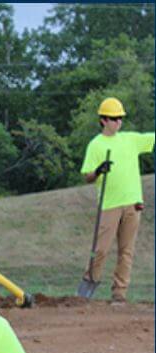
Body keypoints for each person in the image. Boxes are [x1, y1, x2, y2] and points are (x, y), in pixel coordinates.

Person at [79, 97, 155, 303]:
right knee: (100, 249)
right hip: (109, 204)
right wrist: (98, 170)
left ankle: (119, 294)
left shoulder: (130, 139)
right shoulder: (95, 145)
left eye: (120, 118)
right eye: (114, 119)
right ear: (103, 120)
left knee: (126, 251)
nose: (118, 122)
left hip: (132, 203)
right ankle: (88, 286)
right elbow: (87, 176)